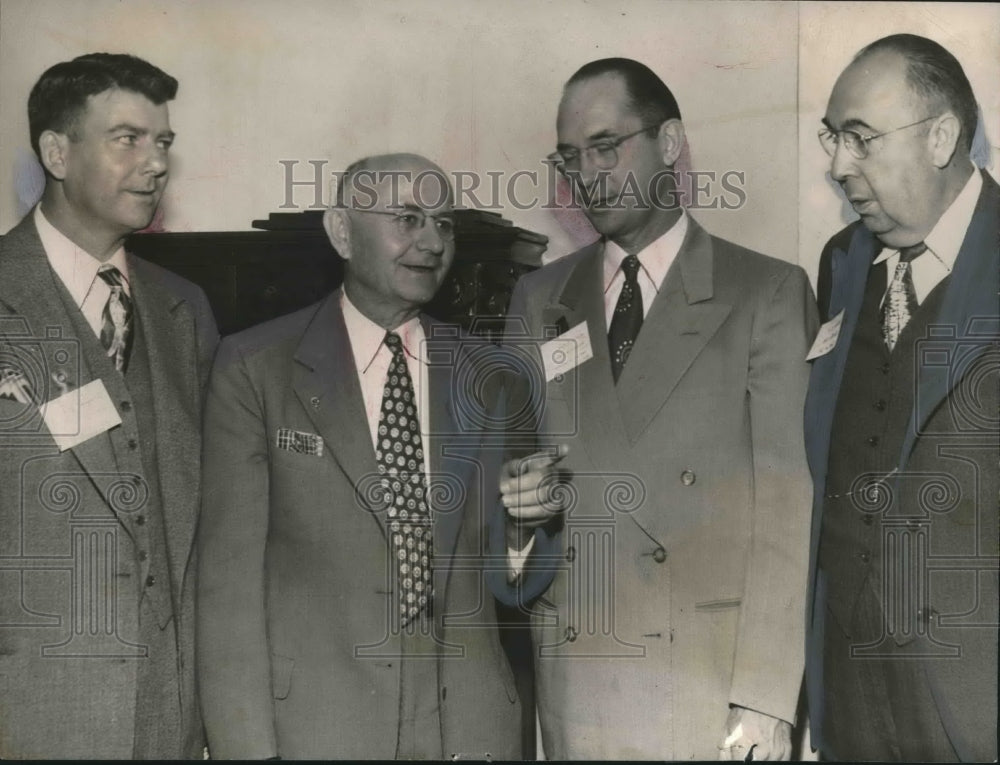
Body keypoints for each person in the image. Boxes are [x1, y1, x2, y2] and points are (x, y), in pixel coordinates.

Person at [494, 57, 817, 760]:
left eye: (607, 146)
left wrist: (764, 699)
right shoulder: (537, 300)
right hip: (578, 678)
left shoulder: (764, 292)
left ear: (669, 144)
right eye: (570, 157)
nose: (587, 174)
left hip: (705, 682)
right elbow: (511, 498)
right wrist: (517, 515)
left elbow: (787, 512)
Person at [197, 152, 553, 759]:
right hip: (317, 729)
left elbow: (516, 584)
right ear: (341, 230)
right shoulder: (255, 368)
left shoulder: (493, 376)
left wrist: (527, 522)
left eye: (444, 224)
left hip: (466, 729)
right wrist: (246, 749)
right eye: (407, 218)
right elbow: (227, 590)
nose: (432, 242)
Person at [0, 53, 218, 758]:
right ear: (56, 152)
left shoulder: (185, 312)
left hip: (169, 719)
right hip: (28, 715)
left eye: (164, 143)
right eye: (128, 138)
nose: (155, 163)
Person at [805, 34, 998, 762]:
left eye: (860, 139)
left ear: (942, 136)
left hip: (974, 703)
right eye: (833, 138)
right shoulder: (842, 262)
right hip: (849, 693)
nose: (836, 165)